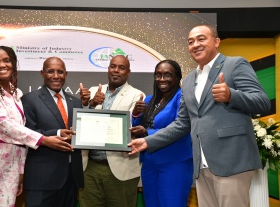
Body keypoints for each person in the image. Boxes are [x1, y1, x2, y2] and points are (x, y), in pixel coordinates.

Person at [128, 25, 271, 207]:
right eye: (191, 42)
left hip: (231, 163)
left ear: (217, 42)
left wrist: (231, 96)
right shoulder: (188, 81)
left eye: (201, 39)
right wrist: (149, 141)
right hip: (201, 166)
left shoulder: (235, 64)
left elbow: (262, 101)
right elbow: (182, 124)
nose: (195, 44)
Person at [0, 46, 72, 207]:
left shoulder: (16, 93)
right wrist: (43, 140)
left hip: (11, 163)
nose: (2, 65)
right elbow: (4, 124)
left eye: (6, 60)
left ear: (13, 63)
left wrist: (21, 170)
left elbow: (20, 134)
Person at [78, 55, 144, 207]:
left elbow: (134, 127)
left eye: (121, 68)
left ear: (128, 72)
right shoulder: (93, 91)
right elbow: (80, 124)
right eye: (113, 66)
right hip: (91, 167)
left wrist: (135, 114)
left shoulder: (137, 95)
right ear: (108, 69)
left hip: (121, 168)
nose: (116, 70)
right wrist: (90, 104)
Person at [21, 57, 84, 207]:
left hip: (70, 178)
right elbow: (27, 133)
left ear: (66, 74)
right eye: (50, 71)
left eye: (60, 72)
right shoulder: (29, 99)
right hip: (41, 180)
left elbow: (80, 132)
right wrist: (55, 133)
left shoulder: (75, 101)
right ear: (42, 73)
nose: (56, 76)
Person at [130, 59, 193, 207]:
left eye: (167, 75)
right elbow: (137, 130)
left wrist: (148, 132)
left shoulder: (182, 97)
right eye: (158, 75)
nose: (162, 79)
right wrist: (135, 114)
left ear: (177, 77)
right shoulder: (149, 99)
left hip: (174, 162)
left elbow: (181, 126)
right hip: (149, 164)